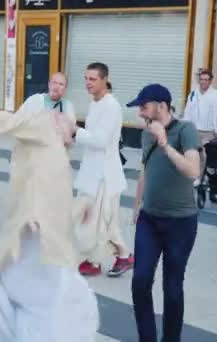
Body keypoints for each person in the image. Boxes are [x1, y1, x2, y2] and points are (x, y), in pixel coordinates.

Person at [0, 108, 98, 342]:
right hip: (32, 240)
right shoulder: (46, 127)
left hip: (45, 244)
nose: (73, 135)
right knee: (44, 304)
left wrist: (81, 206)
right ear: (58, 121)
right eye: (71, 128)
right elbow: (13, 121)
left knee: (55, 304)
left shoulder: (55, 153)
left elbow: (57, 206)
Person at [127, 84, 201, 342]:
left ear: (161, 105)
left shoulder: (185, 130)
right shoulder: (147, 133)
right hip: (149, 220)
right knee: (140, 282)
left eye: (144, 106)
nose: (140, 113)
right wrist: (137, 205)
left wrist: (164, 142)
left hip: (181, 223)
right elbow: (145, 171)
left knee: (171, 288)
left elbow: (193, 171)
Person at [72, 62, 131, 277]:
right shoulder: (94, 103)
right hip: (91, 171)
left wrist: (74, 131)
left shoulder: (111, 105)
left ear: (104, 80)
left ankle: (121, 256)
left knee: (102, 221)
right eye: (86, 78)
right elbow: (91, 140)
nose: (88, 83)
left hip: (105, 175)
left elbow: (100, 141)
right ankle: (94, 261)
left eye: (93, 79)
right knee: (92, 220)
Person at [183, 69, 217, 183]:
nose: (203, 82)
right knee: (197, 154)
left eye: (206, 80)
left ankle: (206, 177)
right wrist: (186, 127)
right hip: (194, 129)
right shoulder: (193, 94)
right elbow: (188, 111)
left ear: (210, 81)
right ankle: (201, 176)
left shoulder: (216, 95)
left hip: (209, 131)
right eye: (202, 79)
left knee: (205, 156)